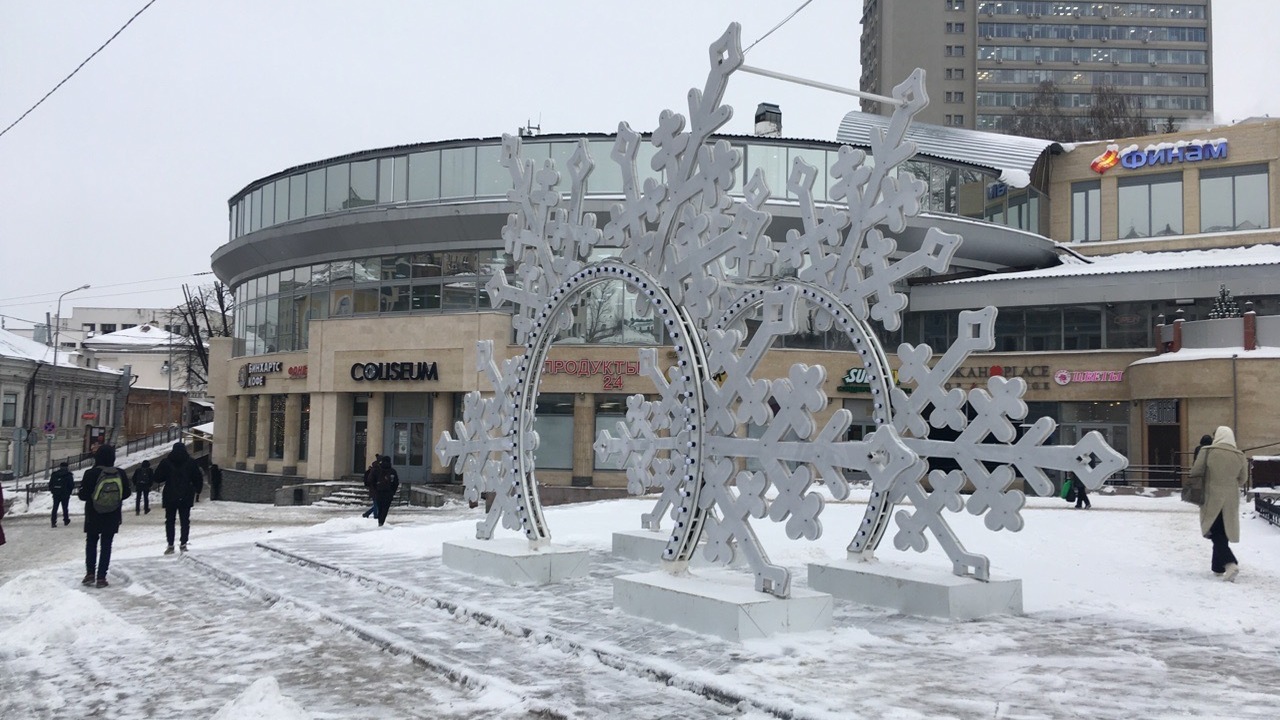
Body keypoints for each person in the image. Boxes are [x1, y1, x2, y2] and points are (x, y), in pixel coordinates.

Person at [1187, 426, 1248, 581]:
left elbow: (1196, 471)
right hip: (1231, 498)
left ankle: (1230, 563)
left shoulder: (1207, 451)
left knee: (1214, 531)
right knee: (1223, 529)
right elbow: (1243, 479)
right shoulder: (1239, 455)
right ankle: (1217, 567)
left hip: (1211, 496)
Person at [77, 445, 132, 588]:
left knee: (91, 542)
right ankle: (102, 577)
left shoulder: (91, 473)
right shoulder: (120, 473)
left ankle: (90, 573)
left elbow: (83, 496)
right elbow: (126, 493)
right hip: (112, 514)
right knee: (106, 545)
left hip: (93, 513)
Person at [154, 441, 204, 555]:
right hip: (186, 495)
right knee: (185, 521)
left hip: (170, 495)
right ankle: (183, 544)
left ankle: (170, 545)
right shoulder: (191, 462)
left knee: (170, 521)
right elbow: (198, 477)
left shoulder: (166, 462)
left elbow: (157, 478)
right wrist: (197, 490)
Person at [372, 455, 400, 527]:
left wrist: (375, 489)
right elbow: (396, 483)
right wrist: (392, 491)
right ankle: (381, 522)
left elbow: (372, 480)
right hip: (388, 492)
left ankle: (379, 521)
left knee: (380, 507)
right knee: (385, 508)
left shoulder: (377, 470)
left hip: (379, 491)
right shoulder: (392, 471)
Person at [49, 461, 75, 527]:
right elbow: (71, 485)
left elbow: (51, 483)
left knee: (55, 507)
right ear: (67, 467)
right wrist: (69, 492)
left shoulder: (55, 474)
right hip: (65, 493)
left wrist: (53, 491)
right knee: (65, 507)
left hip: (56, 493)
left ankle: (53, 521)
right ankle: (66, 520)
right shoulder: (68, 475)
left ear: (60, 467)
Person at [361, 455, 381, 519]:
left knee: (378, 504)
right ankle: (375, 516)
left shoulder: (377, 469)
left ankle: (367, 514)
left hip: (376, 489)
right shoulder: (376, 470)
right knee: (377, 503)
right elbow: (371, 480)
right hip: (375, 489)